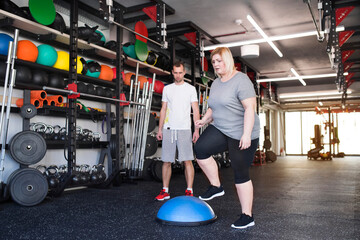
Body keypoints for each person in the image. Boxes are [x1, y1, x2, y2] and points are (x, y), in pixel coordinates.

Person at [194, 47, 260, 229]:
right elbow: (213, 107)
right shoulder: (215, 83)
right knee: (201, 149)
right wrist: (204, 120)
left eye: (219, 61)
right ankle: (216, 186)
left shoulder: (241, 80)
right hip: (222, 128)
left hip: (242, 131)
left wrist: (246, 134)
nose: (215, 65)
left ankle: (247, 216)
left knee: (240, 173)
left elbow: (249, 109)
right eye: (213, 62)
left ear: (228, 60)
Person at [155, 60, 200, 201]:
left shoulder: (190, 89)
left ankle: (189, 190)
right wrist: (160, 129)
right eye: (175, 73)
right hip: (169, 128)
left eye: (180, 73)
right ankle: (165, 190)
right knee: (166, 161)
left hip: (184, 129)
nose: (178, 75)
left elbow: (195, 110)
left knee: (187, 160)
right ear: (172, 72)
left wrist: (196, 130)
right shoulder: (167, 89)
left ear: (184, 72)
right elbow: (163, 109)